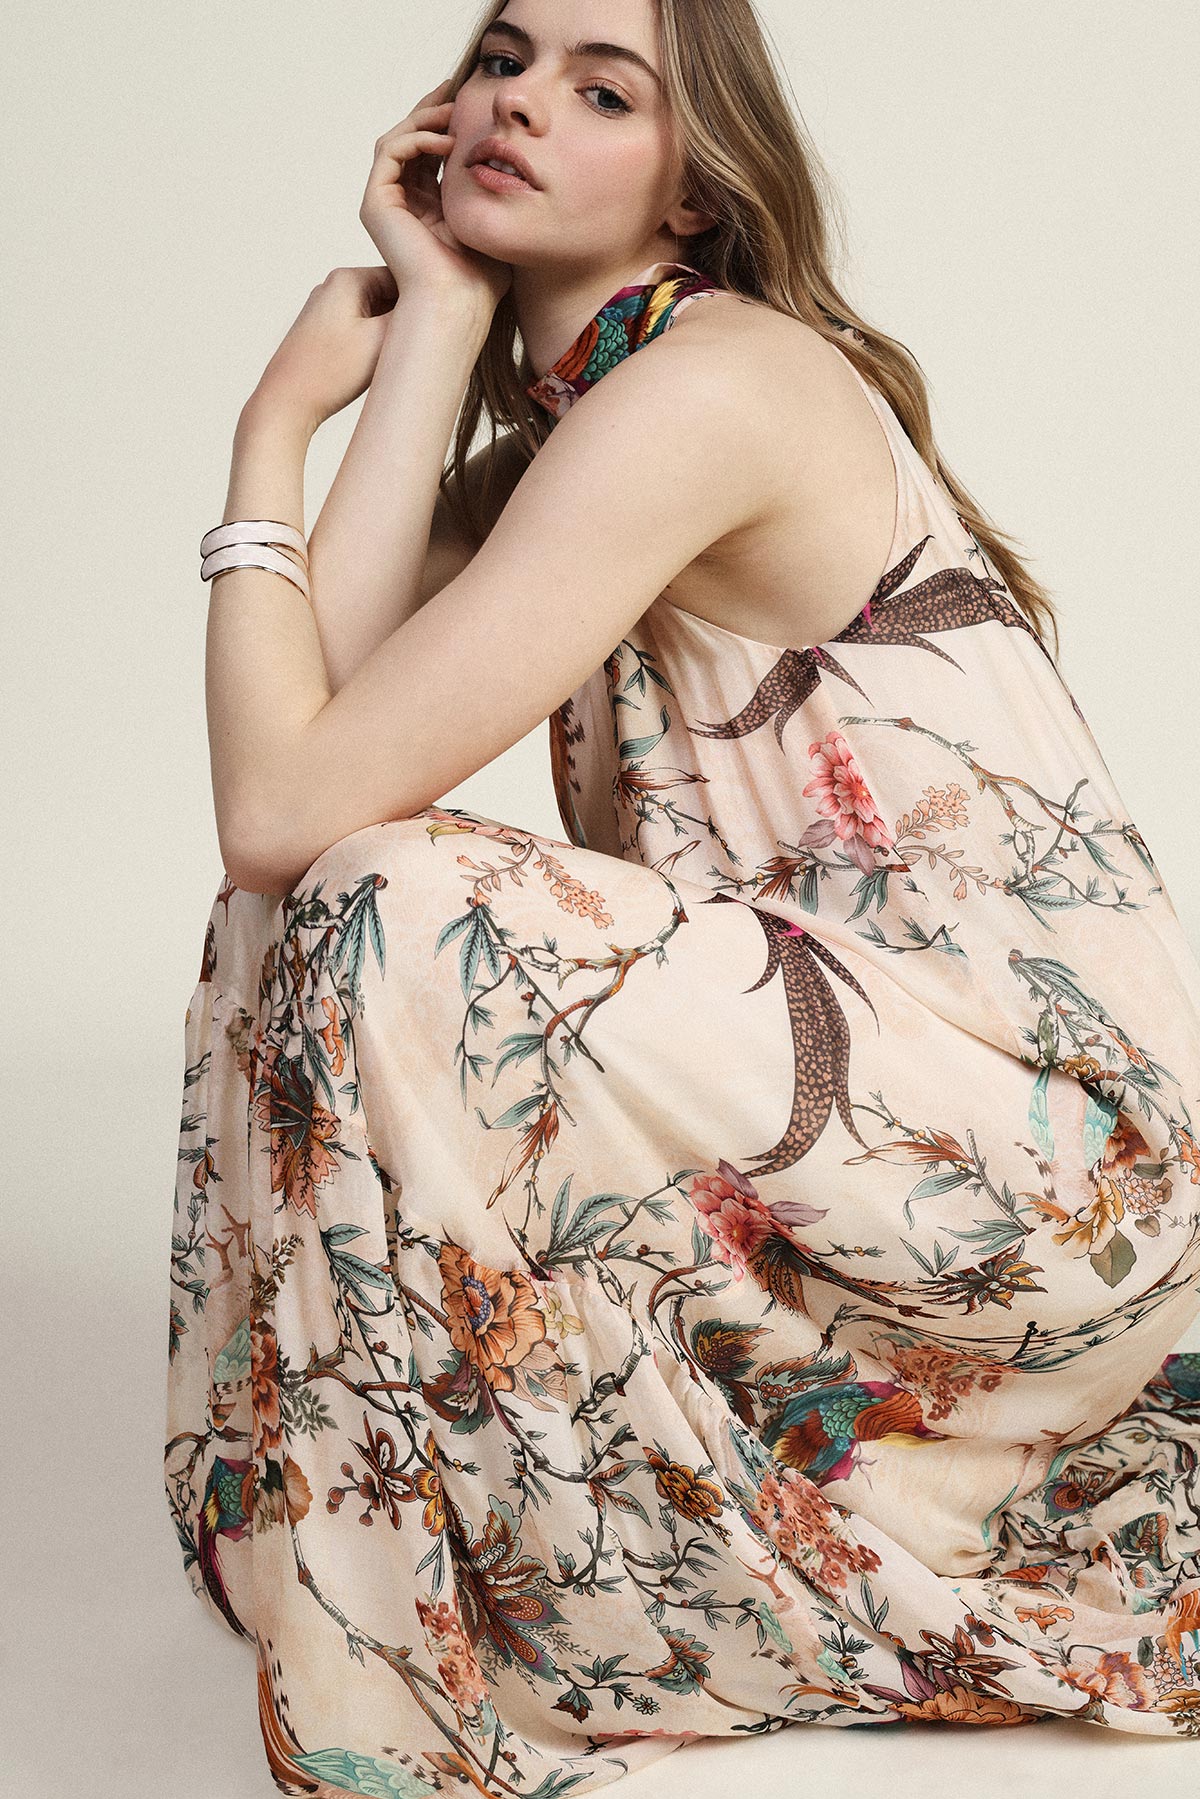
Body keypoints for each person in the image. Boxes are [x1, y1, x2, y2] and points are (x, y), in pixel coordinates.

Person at [166, 0, 1200, 1789]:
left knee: (397, 898)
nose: (519, 107)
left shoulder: (712, 388)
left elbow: (282, 800)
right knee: (337, 893)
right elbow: (296, 727)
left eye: (603, 88)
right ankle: (357, 1506)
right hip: (842, 1116)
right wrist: (406, 349)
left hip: (1044, 1159)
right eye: (501, 58)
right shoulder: (573, 440)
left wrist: (286, 426)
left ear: (696, 188)